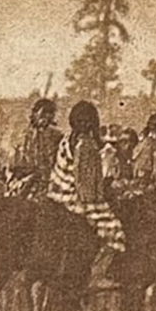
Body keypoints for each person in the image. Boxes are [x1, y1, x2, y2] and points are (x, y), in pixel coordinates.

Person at [48, 100, 125, 257]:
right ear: (92, 123)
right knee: (117, 233)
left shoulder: (67, 139)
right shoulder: (86, 145)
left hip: (57, 193)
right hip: (74, 199)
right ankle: (100, 274)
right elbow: (85, 185)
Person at [10, 98, 61, 198]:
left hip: (49, 180)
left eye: (50, 113)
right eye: (43, 113)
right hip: (28, 179)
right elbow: (18, 163)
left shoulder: (56, 135)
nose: (46, 117)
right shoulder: (26, 135)